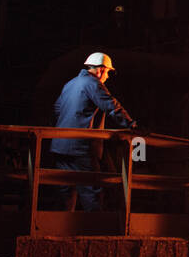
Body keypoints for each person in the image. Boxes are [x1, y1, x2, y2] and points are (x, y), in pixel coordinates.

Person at [49, 52, 138, 211]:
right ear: (101, 70)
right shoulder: (93, 84)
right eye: (108, 72)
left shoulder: (70, 84)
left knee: (65, 194)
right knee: (92, 193)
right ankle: (95, 231)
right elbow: (111, 106)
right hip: (81, 149)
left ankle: (58, 231)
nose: (108, 77)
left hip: (60, 146)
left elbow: (57, 110)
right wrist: (132, 125)